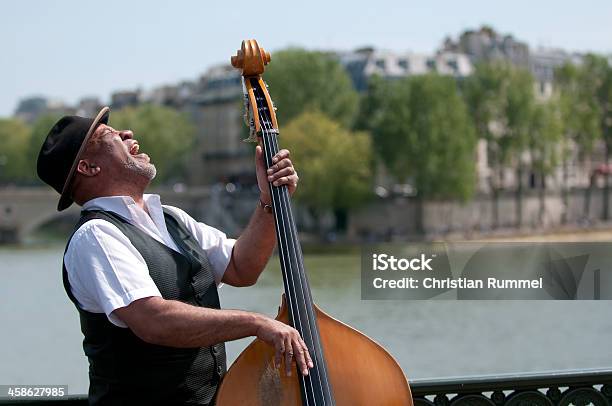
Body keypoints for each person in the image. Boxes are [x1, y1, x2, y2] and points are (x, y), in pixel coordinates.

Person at [37, 106, 313, 406]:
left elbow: (240, 267)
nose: (126, 132)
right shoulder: (96, 237)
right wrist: (256, 323)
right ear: (88, 168)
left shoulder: (172, 218)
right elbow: (152, 319)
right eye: (110, 135)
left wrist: (268, 202)